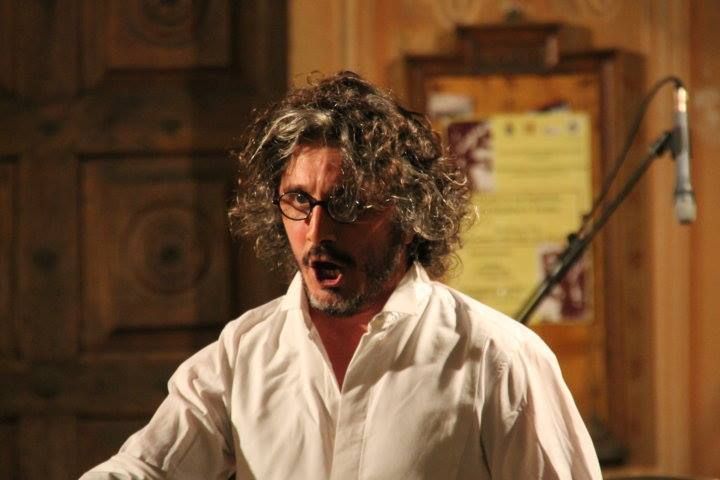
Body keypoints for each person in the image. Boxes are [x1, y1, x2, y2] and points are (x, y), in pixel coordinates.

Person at [81, 72, 602, 479]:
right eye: (298, 200)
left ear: (409, 213)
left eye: (347, 203)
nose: (316, 231)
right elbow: (145, 469)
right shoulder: (243, 355)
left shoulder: (498, 358)